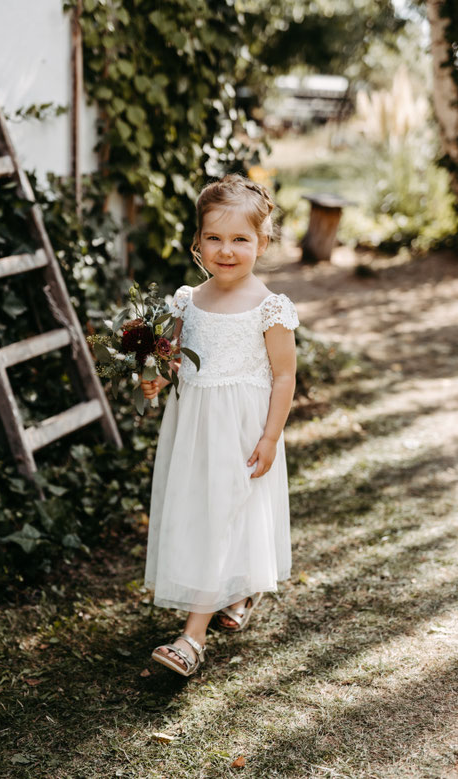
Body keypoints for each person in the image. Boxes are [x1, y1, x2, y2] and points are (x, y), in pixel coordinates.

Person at [141, 173, 299, 676]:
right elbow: (179, 359)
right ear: (197, 243)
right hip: (195, 431)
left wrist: (270, 436)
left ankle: (191, 638)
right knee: (206, 513)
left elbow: (284, 375)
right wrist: (159, 377)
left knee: (226, 515)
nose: (226, 250)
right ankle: (239, 587)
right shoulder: (188, 300)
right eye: (214, 238)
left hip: (243, 430)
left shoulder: (269, 307)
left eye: (240, 239)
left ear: (262, 242)